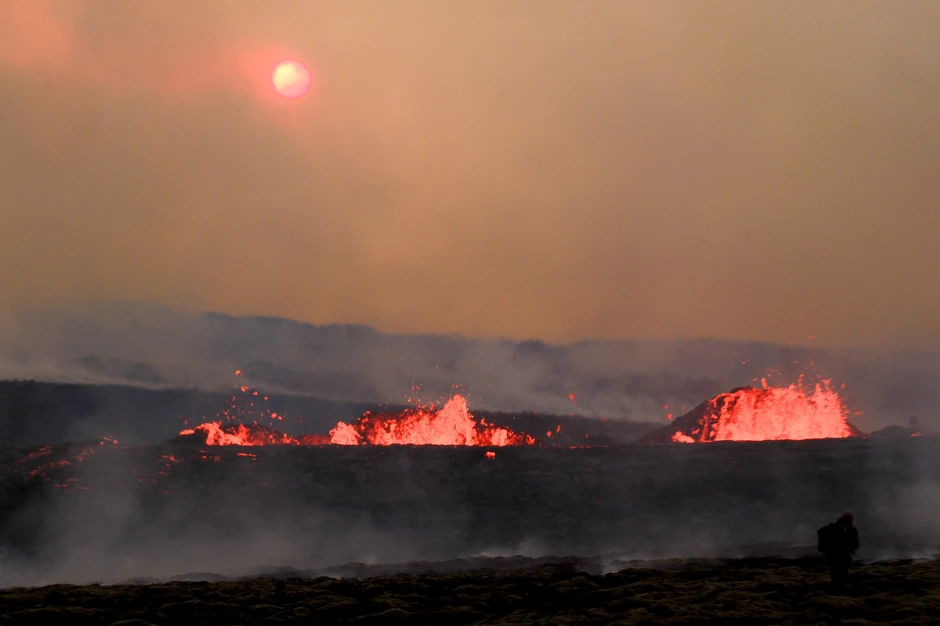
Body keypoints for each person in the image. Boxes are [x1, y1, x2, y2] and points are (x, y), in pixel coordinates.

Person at [817, 511, 859, 588]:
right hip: (840, 556)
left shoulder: (834, 527)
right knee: (841, 576)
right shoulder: (846, 528)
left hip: (832, 556)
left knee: (836, 575)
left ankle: (835, 589)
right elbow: (853, 543)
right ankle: (838, 590)